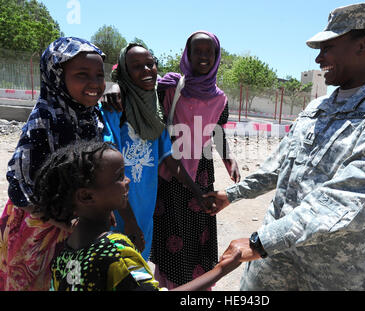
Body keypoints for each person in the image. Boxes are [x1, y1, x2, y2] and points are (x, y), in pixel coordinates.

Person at [206, 3, 365, 290]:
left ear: (363, 45)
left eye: (328, 47)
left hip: (340, 269)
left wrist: (261, 242)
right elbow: (281, 165)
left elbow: (364, 192)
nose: (318, 58)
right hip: (275, 256)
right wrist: (232, 194)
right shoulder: (318, 107)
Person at [0, 37, 142, 291]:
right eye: (82, 75)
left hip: (77, 222)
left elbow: (99, 173)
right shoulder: (44, 122)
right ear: (57, 77)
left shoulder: (93, 116)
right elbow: (21, 185)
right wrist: (61, 221)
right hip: (38, 227)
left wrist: (116, 214)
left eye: (99, 75)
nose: (94, 83)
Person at [30, 140, 241, 291]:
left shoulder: (66, 250)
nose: (128, 181)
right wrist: (221, 269)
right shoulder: (115, 251)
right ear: (86, 196)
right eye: (119, 177)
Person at [100, 43, 211, 262]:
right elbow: (107, 170)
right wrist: (129, 220)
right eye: (136, 66)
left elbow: (170, 160)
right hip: (118, 211)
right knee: (112, 272)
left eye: (150, 64)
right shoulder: (114, 108)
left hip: (144, 212)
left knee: (138, 271)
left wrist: (198, 193)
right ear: (124, 71)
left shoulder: (154, 112)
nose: (146, 70)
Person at [151, 31, 240, 289]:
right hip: (170, 171)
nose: (203, 57)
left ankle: (199, 287)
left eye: (208, 52)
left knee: (199, 234)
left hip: (201, 172)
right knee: (171, 235)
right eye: (197, 51)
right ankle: (172, 284)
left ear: (216, 57)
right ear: (187, 55)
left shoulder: (220, 98)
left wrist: (230, 161)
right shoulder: (170, 88)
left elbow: (217, 132)